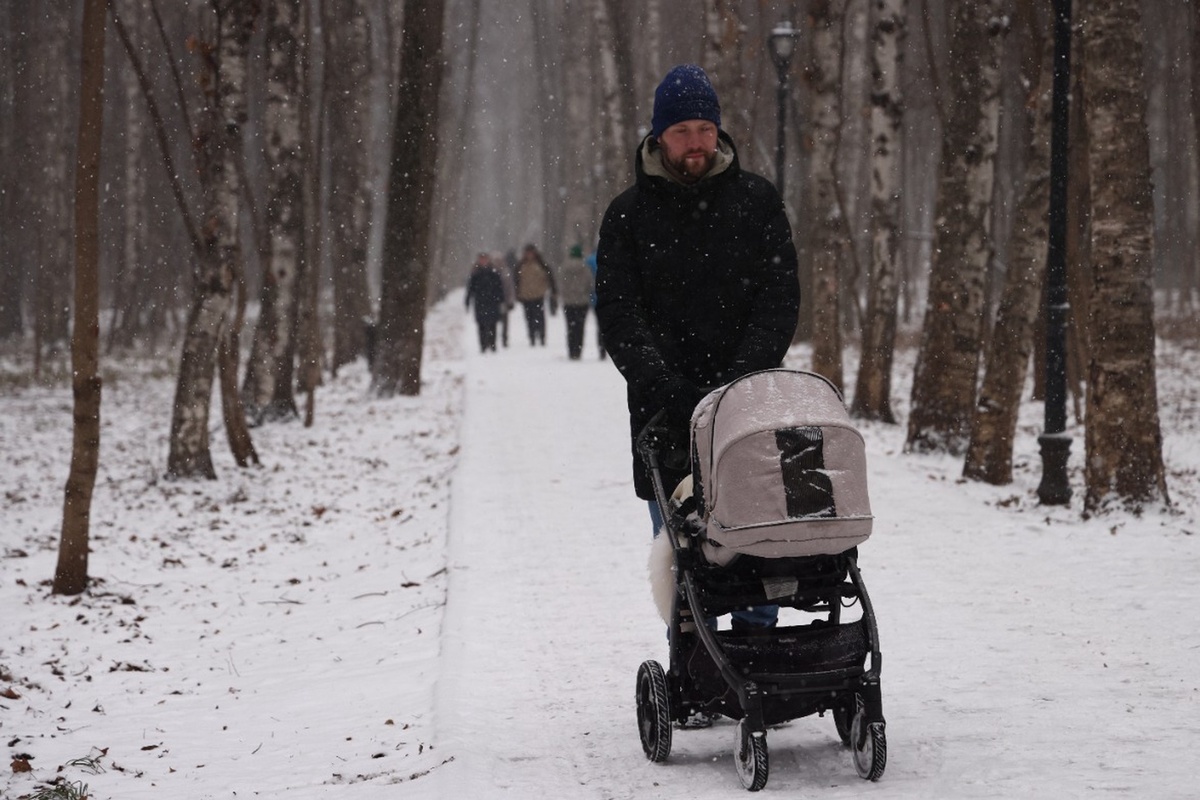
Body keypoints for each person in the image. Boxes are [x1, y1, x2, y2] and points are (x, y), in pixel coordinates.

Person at [595, 65, 800, 638]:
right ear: (659, 135)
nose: (696, 142)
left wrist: (740, 379)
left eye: (705, 128)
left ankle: (761, 643)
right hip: (664, 410)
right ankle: (694, 655)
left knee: (757, 527)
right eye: (683, 130)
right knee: (684, 543)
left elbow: (779, 299)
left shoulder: (757, 202)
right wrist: (668, 387)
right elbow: (619, 316)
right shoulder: (628, 217)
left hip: (747, 401)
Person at [514, 243, 558, 346]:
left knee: (539, 317)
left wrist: (553, 290)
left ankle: (541, 336)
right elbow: (516, 280)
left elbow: (550, 278)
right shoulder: (520, 266)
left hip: (539, 295)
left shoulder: (541, 265)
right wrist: (517, 293)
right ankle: (532, 336)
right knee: (529, 317)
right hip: (526, 296)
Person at [464, 252, 506, 353]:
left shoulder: (494, 273)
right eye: (481, 259)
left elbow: (499, 288)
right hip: (480, 303)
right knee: (481, 325)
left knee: (493, 324)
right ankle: (482, 345)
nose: (483, 261)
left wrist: (501, 301)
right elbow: (470, 289)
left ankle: (492, 344)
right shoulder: (475, 274)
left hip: (492, 303)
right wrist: (468, 300)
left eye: (485, 259)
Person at [558, 244, 595, 360]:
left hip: (568, 301)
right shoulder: (585, 268)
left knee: (570, 326)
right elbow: (590, 285)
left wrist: (566, 294)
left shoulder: (564, 268)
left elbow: (561, 285)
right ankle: (578, 350)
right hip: (582, 301)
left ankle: (571, 349)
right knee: (580, 326)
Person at [584, 249, 606, 360]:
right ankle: (605, 348)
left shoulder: (588, 260)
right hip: (609, 297)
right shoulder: (609, 258)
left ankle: (601, 347)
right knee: (607, 325)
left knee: (599, 324)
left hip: (594, 297)